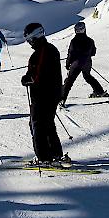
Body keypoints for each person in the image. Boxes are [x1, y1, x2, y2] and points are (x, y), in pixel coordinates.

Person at [21, 23, 65, 164]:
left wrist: (29, 79)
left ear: (35, 37)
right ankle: (56, 154)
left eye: (29, 40)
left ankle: (44, 158)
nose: (29, 43)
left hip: (43, 95)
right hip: (52, 93)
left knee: (37, 125)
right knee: (48, 124)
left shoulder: (42, 52)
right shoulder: (49, 49)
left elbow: (39, 74)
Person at [61, 22, 107, 107]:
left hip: (76, 63)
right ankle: (99, 91)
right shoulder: (90, 40)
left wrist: (68, 64)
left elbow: (71, 53)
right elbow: (93, 53)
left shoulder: (74, 41)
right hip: (87, 63)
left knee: (70, 81)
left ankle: (62, 99)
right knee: (87, 76)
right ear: (84, 29)